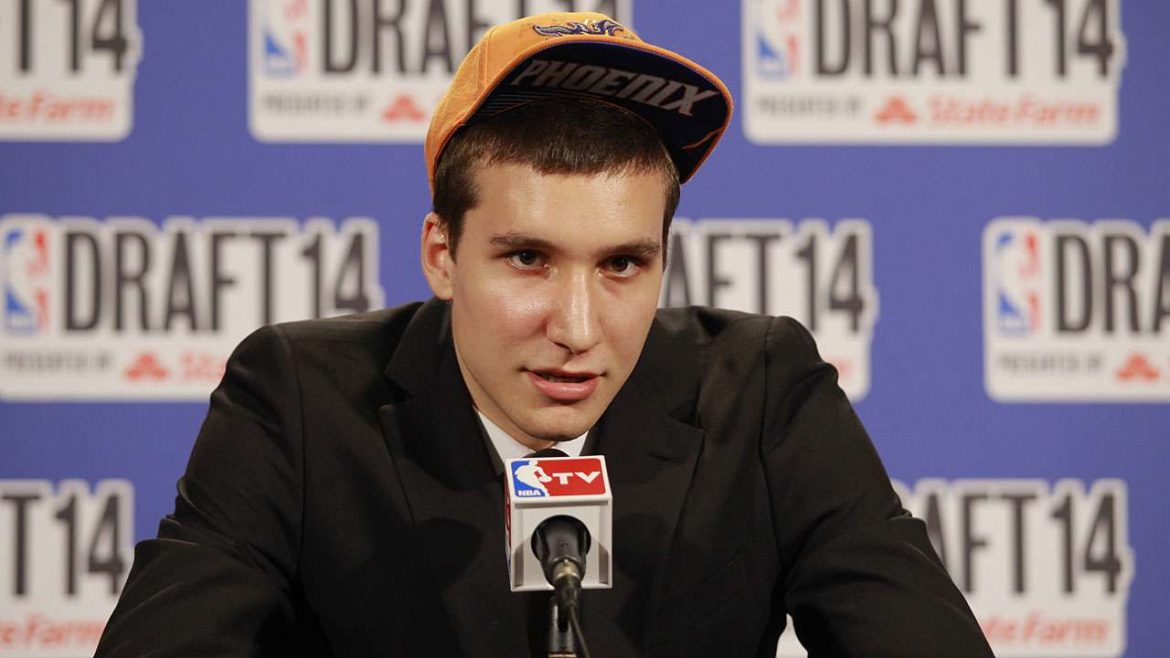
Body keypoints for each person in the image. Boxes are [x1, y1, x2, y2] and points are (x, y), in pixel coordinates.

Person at [95, 12, 994, 658]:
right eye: (528, 259)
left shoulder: (762, 390)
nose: (577, 329)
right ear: (442, 255)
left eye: (622, 264)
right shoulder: (300, 397)